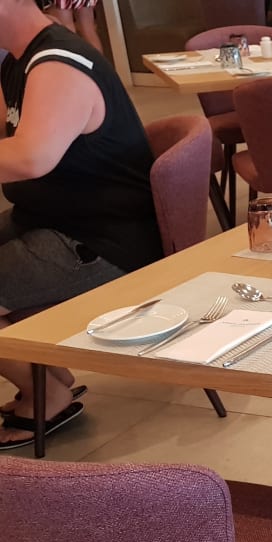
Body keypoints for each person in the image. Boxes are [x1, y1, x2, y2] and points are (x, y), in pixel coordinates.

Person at [0, 0, 162, 449]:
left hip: (98, 241)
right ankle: (47, 375)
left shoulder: (57, 63)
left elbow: (31, 157)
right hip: (54, 219)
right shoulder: (21, 59)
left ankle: (47, 394)